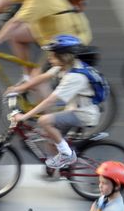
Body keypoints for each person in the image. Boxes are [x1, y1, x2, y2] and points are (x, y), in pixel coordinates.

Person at [6, 34, 100, 169]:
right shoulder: (65, 66)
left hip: (83, 114)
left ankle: (67, 154)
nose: (49, 57)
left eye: (53, 54)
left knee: (44, 121)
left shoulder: (75, 77)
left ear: (64, 56)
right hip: (73, 109)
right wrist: (18, 89)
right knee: (49, 138)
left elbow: (50, 100)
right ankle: (58, 170)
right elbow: (42, 77)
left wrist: (25, 116)